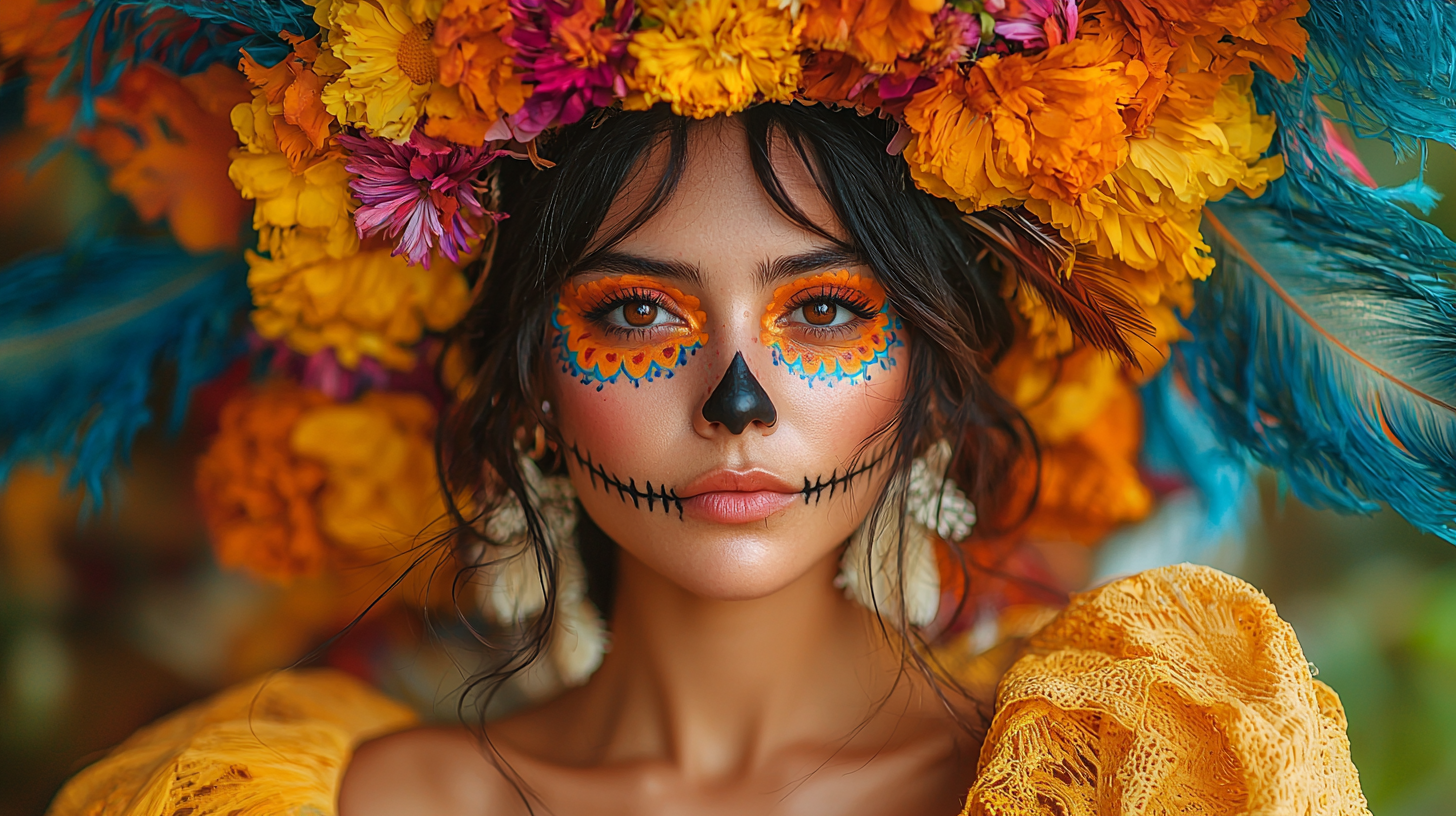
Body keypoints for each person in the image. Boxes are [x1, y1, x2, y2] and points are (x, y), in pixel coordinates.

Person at [10, 0, 1452, 813]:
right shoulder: (296, 807)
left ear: (933, 373)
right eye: (635, 314)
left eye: (824, 311)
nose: (740, 403)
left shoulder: (1146, 778)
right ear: (527, 388)